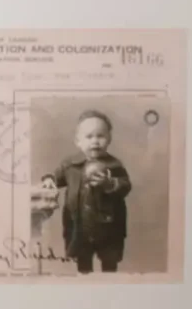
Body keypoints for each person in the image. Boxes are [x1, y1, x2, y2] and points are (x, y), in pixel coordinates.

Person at [48, 109, 132, 274]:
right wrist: (48, 181)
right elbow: (56, 178)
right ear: (77, 141)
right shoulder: (70, 165)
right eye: (89, 136)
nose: (95, 141)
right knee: (83, 263)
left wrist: (109, 184)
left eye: (100, 136)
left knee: (109, 264)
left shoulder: (114, 165)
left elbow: (125, 186)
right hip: (79, 226)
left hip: (109, 227)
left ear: (109, 139)